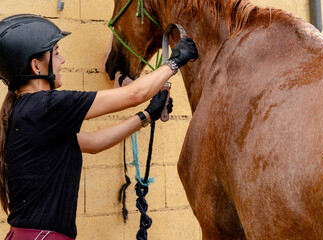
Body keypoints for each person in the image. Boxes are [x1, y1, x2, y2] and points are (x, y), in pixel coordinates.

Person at [0, 14, 198, 240]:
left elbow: (93, 143)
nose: (63, 60)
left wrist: (146, 115)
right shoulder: (45, 107)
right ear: (36, 66)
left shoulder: (26, 112)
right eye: (56, 53)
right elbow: (135, 93)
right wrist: (175, 61)